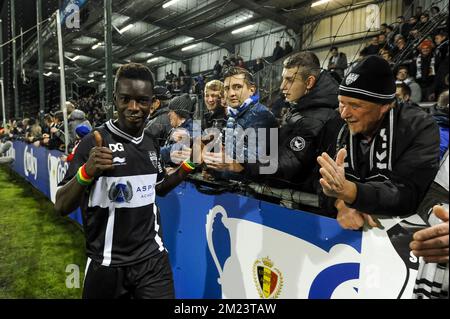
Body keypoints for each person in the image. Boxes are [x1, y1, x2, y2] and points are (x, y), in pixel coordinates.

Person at [55, 63, 198, 299]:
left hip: (152, 262)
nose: (134, 107)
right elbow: (61, 205)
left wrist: (189, 165)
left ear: (153, 103)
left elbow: (159, 188)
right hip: (108, 264)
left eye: (142, 100)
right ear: (115, 99)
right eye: (125, 99)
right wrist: (86, 172)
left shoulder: (151, 142)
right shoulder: (94, 141)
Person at [317, 55, 440, 229]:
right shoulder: (339, 124)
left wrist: (351, 193)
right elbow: (320, 179)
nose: (345, 113)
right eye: (341, 103)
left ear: (385, 106)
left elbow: (409, 193)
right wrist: (341, 202)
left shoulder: (419, 127)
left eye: (355, 105)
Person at [265, 51, 340, 191]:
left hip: (305, 205)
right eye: (283, 79)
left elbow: (288, 167)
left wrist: (244, 164)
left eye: (289, 80)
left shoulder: (315, 118)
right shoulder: (302, 107)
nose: (282, 86)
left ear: (309, 82)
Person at [204, 67, 277, 176]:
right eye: (227, 88)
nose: (231, 93)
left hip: (248, 190)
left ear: (252, 89)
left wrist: (220, 167)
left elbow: (254, 165)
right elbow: (226, 153)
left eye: (237, 87)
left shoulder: (262, 116)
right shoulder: (233, 115)